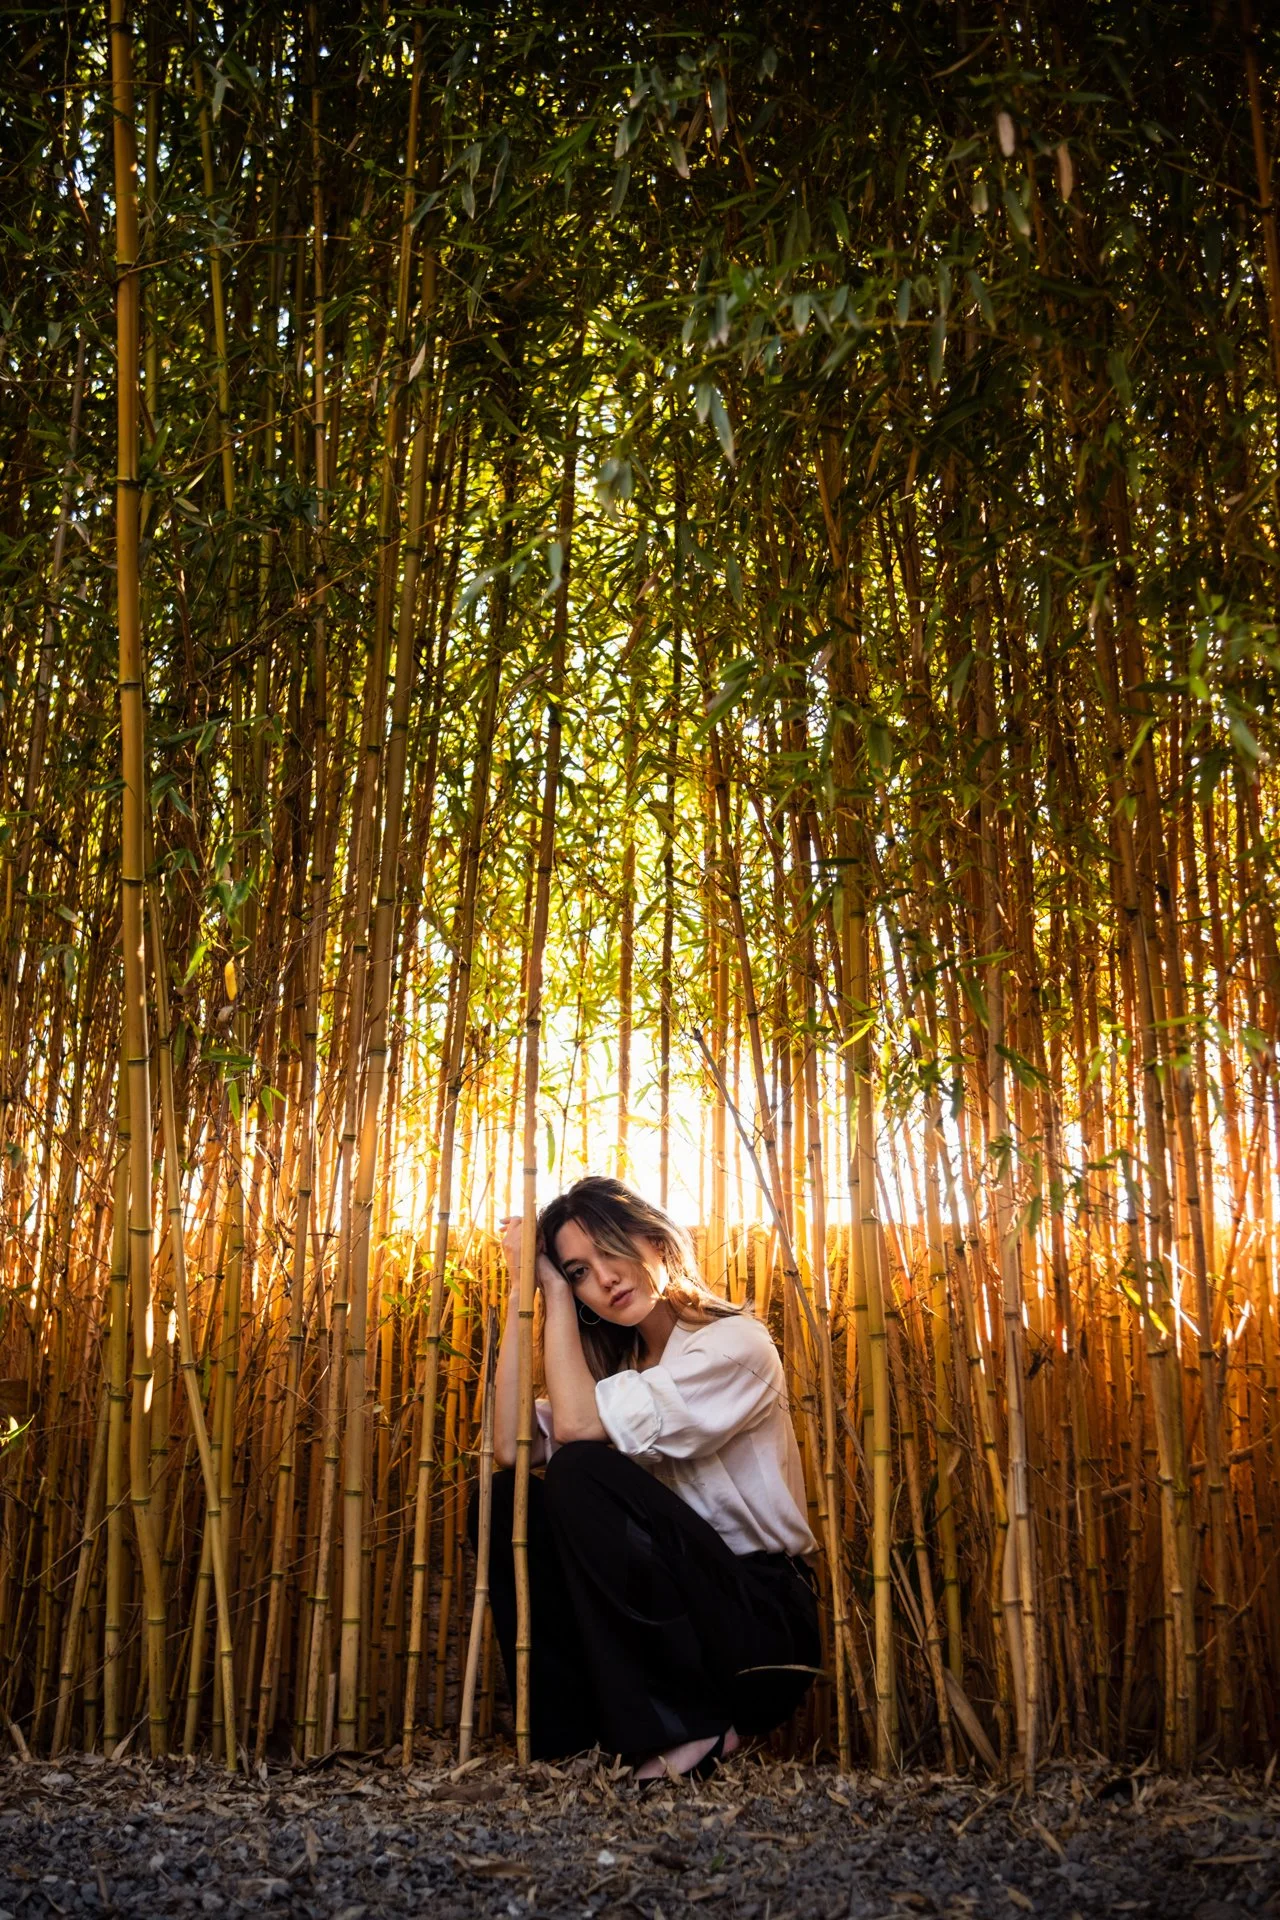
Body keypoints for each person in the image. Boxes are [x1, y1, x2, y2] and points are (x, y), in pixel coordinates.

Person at [469, 1174, 821, 1782]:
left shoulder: (735, 1343)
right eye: (578, 1271)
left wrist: (555, 1295)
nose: (603, 1278)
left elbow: (577, 1432)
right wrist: (526, 1289)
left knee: (579, 1468)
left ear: (655, 1239)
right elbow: (509, 1447)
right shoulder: (619, 1371)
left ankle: (692, 1725)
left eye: (610, 1248)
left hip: (758, 1630)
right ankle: (571, 1740)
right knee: (507, 1499)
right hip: (690, 1616)